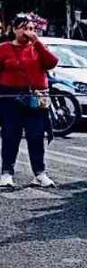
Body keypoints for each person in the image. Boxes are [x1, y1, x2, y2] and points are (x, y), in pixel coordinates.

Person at [0, 14, 59, 189]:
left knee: (36, 135)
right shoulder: (4, 48)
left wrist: (37, 42)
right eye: (24, 28)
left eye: (32, 29)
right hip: (11, 98)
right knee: (11, 135)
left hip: (36, 98)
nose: (28, 32)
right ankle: (7, 173)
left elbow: (52, 62)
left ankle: (40, 174)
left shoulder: (38, 47)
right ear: (14, 29)